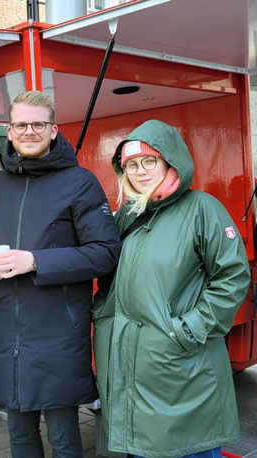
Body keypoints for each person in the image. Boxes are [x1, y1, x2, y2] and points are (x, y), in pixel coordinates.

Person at [0, 90, 121, 457]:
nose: (29, 131)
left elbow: (105, 253)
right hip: (8, 333)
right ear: (9, 130)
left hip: (58, 334)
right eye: (21, 124)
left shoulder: (80, 182)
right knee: (18, 435)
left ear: (53, 130)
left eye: (38, 124)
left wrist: (36, 261)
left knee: (64, 439)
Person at [93, 120, 250, 458]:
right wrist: (102, 316)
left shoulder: (202, 209)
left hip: (183, 366)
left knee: (190, 448)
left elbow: (233, 276)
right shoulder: (126, 216)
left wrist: (189, 329)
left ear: (170, 161)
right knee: (142, 447)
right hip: (134, 367)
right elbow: (108, 278)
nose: (140, 171)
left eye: (150, 161)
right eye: (132, 165)